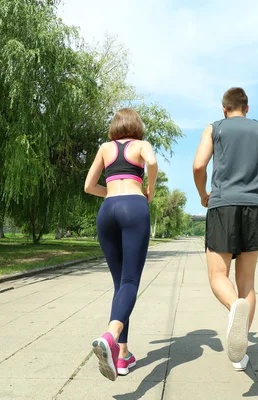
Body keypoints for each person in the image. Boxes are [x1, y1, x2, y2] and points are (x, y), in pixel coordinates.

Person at [192, 87, 258, 370]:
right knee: (247, 282)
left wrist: (203, 193)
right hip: (254, 208)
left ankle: (234, 307)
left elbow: (199, 164)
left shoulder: (215, 128)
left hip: (222, 206)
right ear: (247, 109)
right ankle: (240, 352)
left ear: (224, 108)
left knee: (217, 275)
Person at [84, 108, 158, 381]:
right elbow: (152, 162)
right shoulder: (141, 145)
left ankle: (122, 355)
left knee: (119, 285)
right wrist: (149, 190)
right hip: (134, 207)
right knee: (129, 282)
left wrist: (111, 192)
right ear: (137, 126)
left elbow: (89, 186)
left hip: (107, 211)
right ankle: (111, 335)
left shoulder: (105, 148)